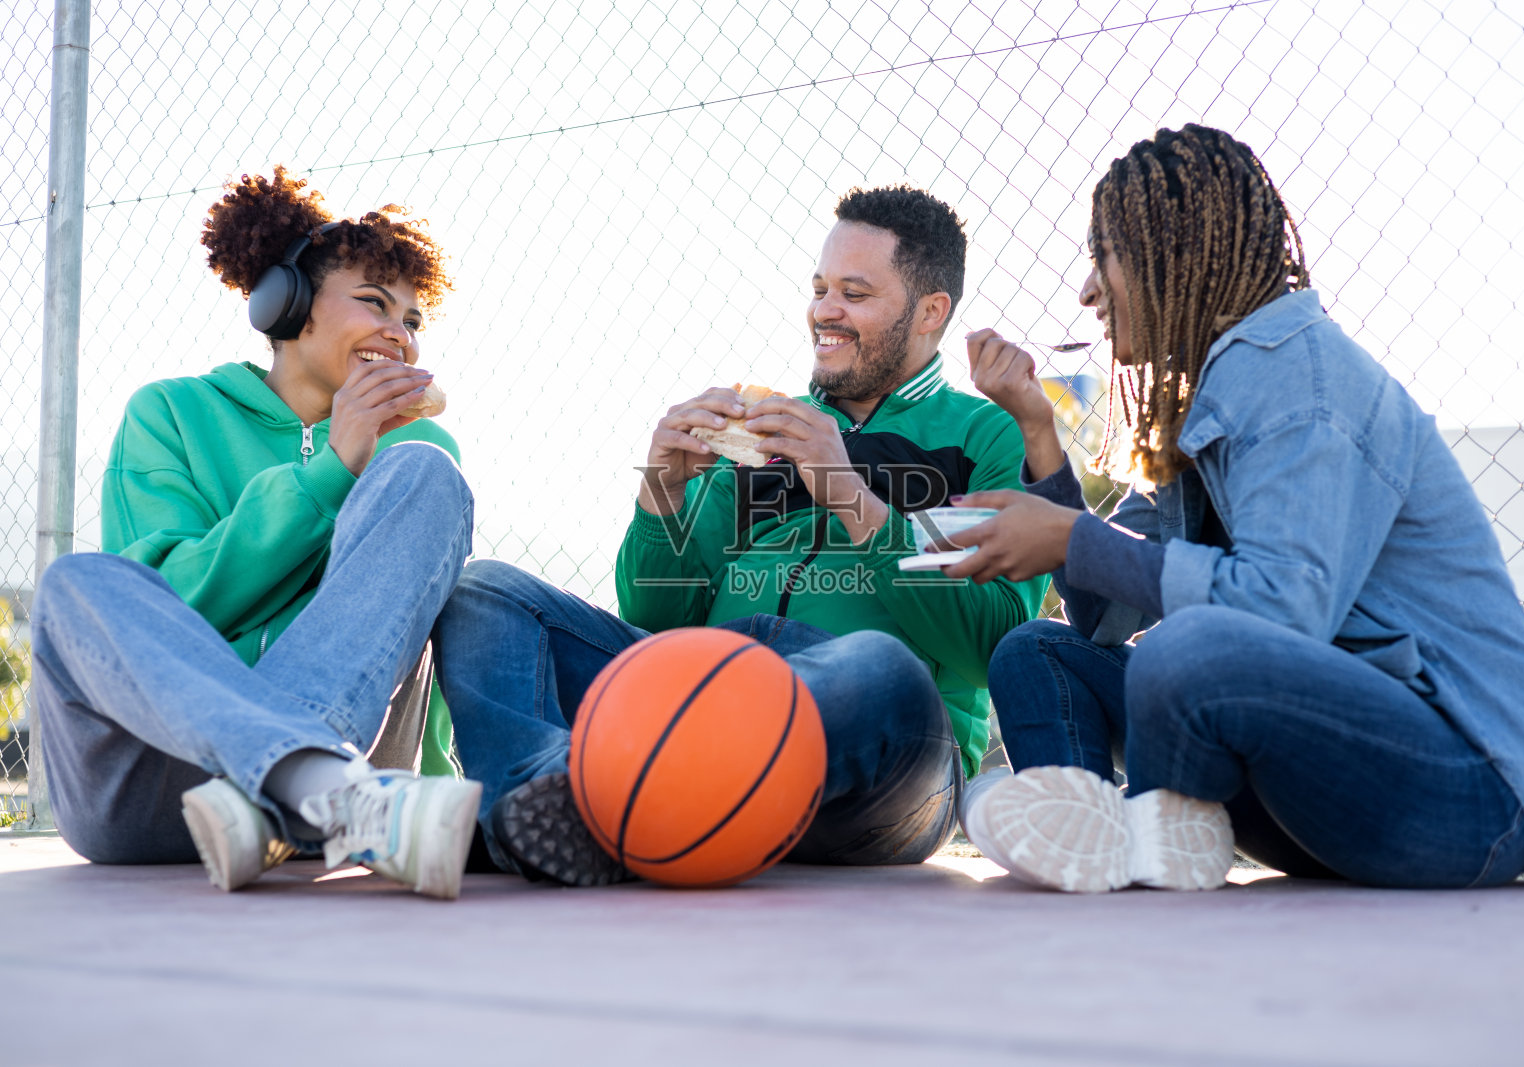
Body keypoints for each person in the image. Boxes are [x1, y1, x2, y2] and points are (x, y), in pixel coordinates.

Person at [948, 124, 1524, 891]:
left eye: (1103, 254)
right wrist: (1039, 430)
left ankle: (1152, 839)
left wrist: (1073, 536)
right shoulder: (1212, 392)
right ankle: (1095, 846)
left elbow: (1283, 607)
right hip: (1327, 785)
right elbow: (1102, 620)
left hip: (1468, 797)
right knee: (1037, 650)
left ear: (1171, 249)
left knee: (1186, 650)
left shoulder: (1297, 375)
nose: (1087, 290)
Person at [433, 185, 1048, 885]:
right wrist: (662, 487)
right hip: (706, 684)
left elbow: (988, 644)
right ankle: (546, 796)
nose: (824, 311)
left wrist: (849, 493)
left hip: (884, 756)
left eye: (855, 293)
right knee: (484, 593)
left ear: (929, 311)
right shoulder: (761, 433)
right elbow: (657, 621)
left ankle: (594, 794)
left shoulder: (983, 436)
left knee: (884, 668)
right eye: (820, 288)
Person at [30, 167, 482, 899]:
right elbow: (177, 605)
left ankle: (308, 794)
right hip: (158, 789)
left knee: (430, 473)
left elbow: (396, 641)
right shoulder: (170, 414)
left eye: (411, 319)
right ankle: (310, 785)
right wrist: (330, 470)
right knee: (77, 584)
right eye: (374, 303)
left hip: (358, 773)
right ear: (287, 307)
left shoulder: (414, 456)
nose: (398, 334)